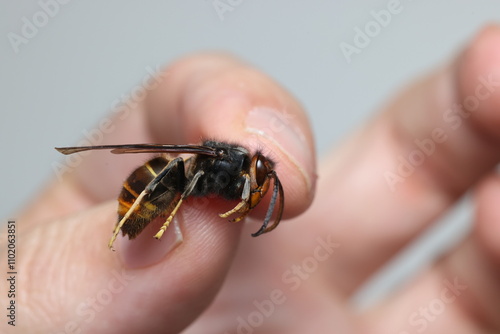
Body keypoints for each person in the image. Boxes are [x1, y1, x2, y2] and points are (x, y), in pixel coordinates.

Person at [4, 25, 500, 333]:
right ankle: (128, 226)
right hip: (149, 192)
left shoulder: (242, 176)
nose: (256, 187)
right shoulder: (217, 159)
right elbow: (180, 173)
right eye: (257, 183)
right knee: (175, 177)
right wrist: (17, 303)